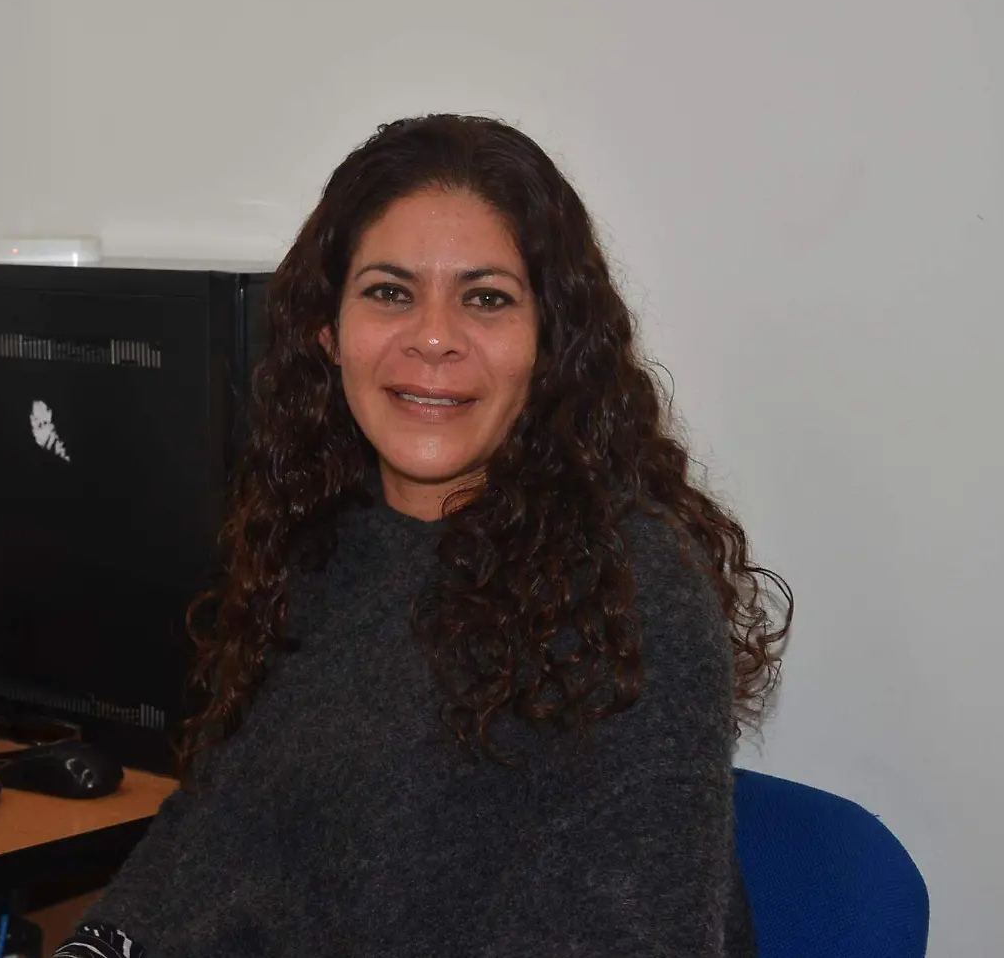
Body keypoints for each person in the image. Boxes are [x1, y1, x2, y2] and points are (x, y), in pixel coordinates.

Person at [55, 114, 792, 958]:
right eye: (389, 292)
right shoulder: (318, 543)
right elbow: (211, 824)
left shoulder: (634, 593)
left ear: (548, 346)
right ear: (328, 333)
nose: (434, 337)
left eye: (486, 299)